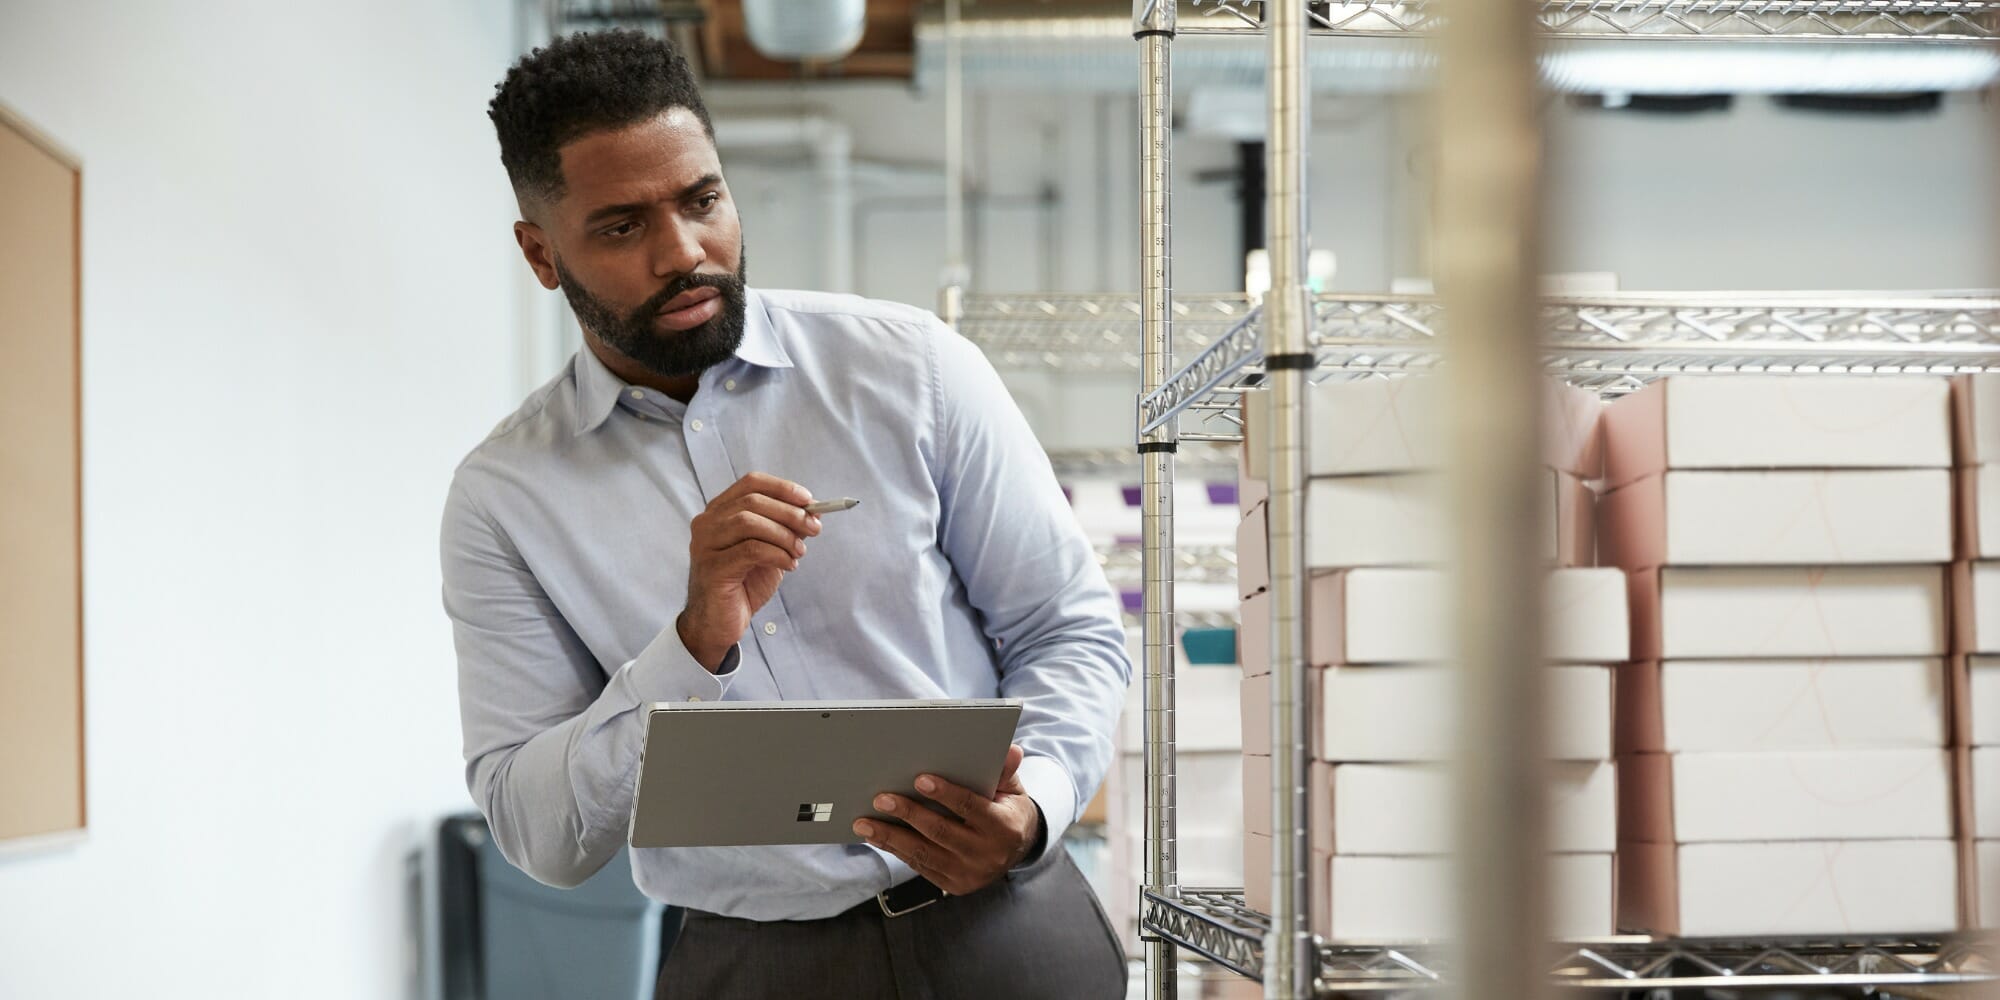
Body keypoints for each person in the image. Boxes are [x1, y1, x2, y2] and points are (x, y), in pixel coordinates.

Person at [441, 29, 1131, 999]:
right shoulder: (505, 499)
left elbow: (1071, 629)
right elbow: (538, 829)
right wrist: (688, 647)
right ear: (540, 255)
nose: (683, 253)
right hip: (753, 965)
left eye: (701, 200)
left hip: (1005, 926)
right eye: (621, 226)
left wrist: (1037, 808)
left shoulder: (910, 370)